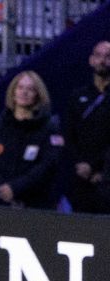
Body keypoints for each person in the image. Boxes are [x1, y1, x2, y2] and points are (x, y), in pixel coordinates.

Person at [0, 70, 62, 210]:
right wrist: (3, 188)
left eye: (30, 89)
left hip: (35, 204)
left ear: (38, 95)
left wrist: (15, 188)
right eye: (20, 87)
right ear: (13, 93)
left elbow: (47, 165)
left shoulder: (49, 129)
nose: (24, 92)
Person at [61, 40, 110, 213]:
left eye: (108, 56)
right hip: (80, 177)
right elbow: (68, 134)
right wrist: (81, 165)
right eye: (98, 55)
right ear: (91, 60)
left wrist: (99, 168)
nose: (102, 60)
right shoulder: (77, 96)